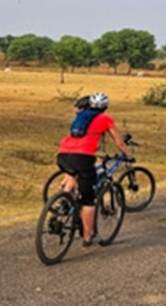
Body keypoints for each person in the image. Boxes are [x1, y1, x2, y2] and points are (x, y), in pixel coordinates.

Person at [56, 92, 133, 247]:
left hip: (63, 155)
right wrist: (129, 156)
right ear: (105, 107)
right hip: (83, 158)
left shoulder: (80, 116)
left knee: (72, 175)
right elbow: (119, 142)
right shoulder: (105, 119)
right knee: (88, 200)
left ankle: (60, 203)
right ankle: (88, 237)